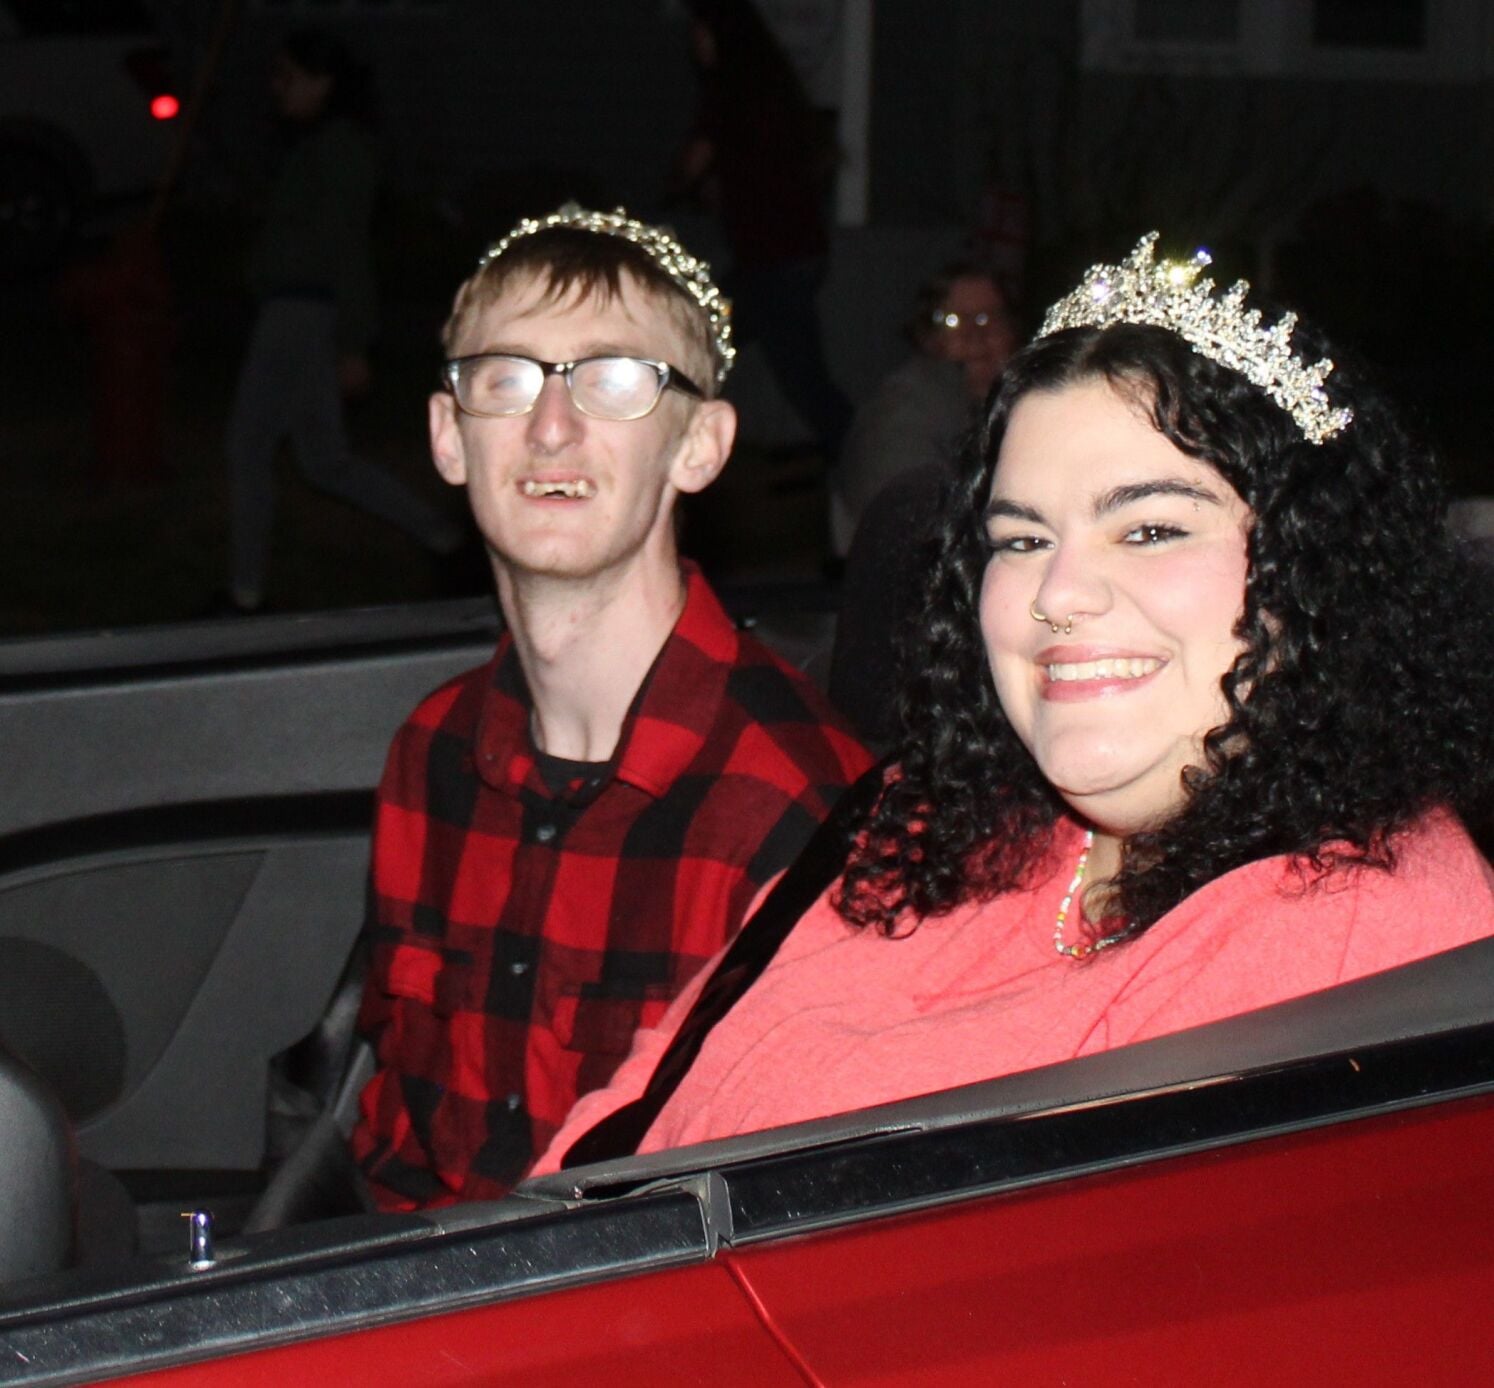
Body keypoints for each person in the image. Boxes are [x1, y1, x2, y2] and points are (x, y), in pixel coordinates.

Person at [537, 232, 1494, 1170]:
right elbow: (642, 1096)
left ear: (1312, 575)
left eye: (1151, 528)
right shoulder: (928, 820)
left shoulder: (1351, 924)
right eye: (1023, 539)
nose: (1057, 593)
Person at [349, 205, 872, 1209]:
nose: (552, 426)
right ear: (448, 437)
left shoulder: (796, 808)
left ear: (701, 446)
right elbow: (396, 1135)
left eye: (615, 380)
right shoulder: (431, 750)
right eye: (505, 378)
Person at [223, 28, 460, 613]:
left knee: (249, 446)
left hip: (304, 313)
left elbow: (349, 248)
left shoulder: (342, 151)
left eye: (289, 77)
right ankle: (444, 537)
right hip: (292, 308)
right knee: (323, 459)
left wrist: (354, 341)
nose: (277, 90)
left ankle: (244, 592)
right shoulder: (313, 148)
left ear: (323, 83)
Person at [678, 0, 853, 465]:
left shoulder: (731, 90)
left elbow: (697, 160)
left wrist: (670, 188)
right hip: (786, 255)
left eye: (701, 32)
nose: (696, 45)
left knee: (797, 375)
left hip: (775, 260)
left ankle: (860, 458)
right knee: (704, 339)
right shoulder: (770, 89)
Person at [830, 263, 1019, 556]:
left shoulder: (1021, 407)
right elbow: (913, 543)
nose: (975, 336)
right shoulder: (903, 415)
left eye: (988, 318)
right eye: (954, 321)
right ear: (927, 335)